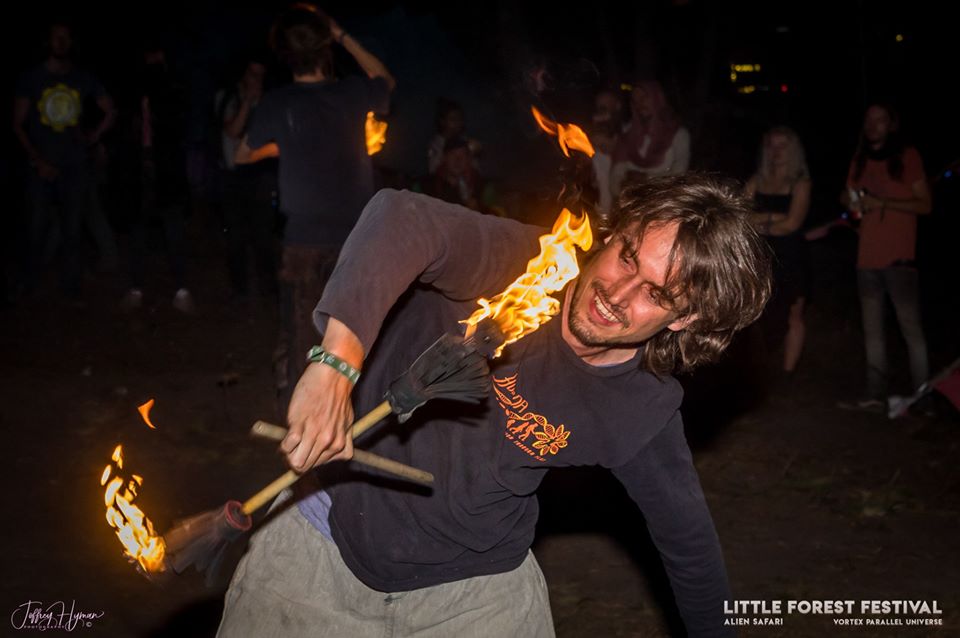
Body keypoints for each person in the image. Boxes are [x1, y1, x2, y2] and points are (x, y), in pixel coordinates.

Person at [218, 174, 772, 637]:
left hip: (475, 599)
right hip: (321, 547)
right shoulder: (528, 268)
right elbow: (400, 216)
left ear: (684, 320)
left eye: (657, 294)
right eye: (627, 256)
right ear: (612, 235)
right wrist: (335, 365)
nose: (617, 293)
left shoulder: (640, 410)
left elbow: (691, 553)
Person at [234, 4, 395, 411]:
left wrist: (286, 142)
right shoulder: (353, 93)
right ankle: (348, 421)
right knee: (355, 336)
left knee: (303, 342)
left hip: (304, 244)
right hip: (357, 243)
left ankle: (304, 440)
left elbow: (242, 155)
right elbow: (384, 79)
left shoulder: (278, 103)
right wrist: (341, 33)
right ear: (326, 49)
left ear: (285, 56)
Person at [839, 104, 932, 412]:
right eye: (868, 120)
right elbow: (850, 201)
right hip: (866, 259)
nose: (873, 125)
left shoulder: (907, 156)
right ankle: (875, 395)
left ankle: (922, 397)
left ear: (891, 124)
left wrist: (883, 202)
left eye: (880, 119)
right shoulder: (860, 159)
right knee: (873, 332)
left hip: (899, 260)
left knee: (911, 330)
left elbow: (924, 205)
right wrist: (851, 203)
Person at [13, 21, 116, 298]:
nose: (61, 42)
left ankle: (70, 287)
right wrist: (37, 159)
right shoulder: (32, 78)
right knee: (35, 228)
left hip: (75, 166)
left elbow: (110, 109)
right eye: (56, 37)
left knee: (72, 230)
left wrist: (94, 136)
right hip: (40, 167)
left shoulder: (82, 77)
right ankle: (28, 283)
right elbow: (17, 123)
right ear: (48, 41)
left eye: (66, 38)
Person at [121, 42, 194, 313]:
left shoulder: (172, 93)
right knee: (137, 231)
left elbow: (178, 129)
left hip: (167, 174)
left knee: (173, 231)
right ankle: (136, 287)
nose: (153, 60)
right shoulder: (130, 95)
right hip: (138, 172)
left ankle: (182, 289)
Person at [744, 126, 812, 375]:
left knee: (794, 313)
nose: (776, 151)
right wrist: (775, 220)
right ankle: (758, 366)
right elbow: (740, 216)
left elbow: (793, 223)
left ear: (793, 149)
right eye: (771, 145)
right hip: (760, 256)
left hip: (791, 256)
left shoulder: (800, 182)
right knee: (757, 312)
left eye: (782, 145)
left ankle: (788, 372)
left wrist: (760, 221)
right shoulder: (757, 180)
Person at [215, 54, 278, 301]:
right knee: (236, 237)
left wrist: (259, 102)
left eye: (261, 74)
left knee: (263, 235)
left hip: (260, 177)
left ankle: (269, 290)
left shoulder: (269, 101)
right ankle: (239, 290)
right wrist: (247, 101)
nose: (257, 79)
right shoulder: (227, 97)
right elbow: (232, 130)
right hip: (232, 178)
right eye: (253, 73)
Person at [609, 80, 689, 200]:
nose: (639, 104)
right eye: (635, 100)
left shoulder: (678, 135)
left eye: (643, 98)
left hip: (663, 204)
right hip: (631, 204)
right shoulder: (627, 134)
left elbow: (679, 175)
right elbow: (615, 179)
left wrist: (645, 178)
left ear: (657, 98)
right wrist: (626, 188)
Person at [426, 97, 481, 175]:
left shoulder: (466, 142)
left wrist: (474, 154)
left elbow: (476, 170)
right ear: (442, 121)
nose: (457, 123)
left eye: (460, 119)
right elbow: (433, 170)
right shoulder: (435, 146)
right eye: (453, 119)